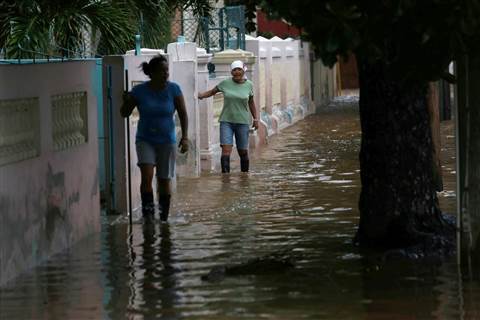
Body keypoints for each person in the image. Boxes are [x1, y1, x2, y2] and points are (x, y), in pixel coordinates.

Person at [121, 55, 189, 222]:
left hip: (167, 140)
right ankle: (148, 216)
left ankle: (163, 217)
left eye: (167, 71)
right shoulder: (139, 91)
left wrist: (185, 137)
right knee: (147, 176)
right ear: (151, 72)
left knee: (164, 180)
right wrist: (127, 101)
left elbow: (183, 114)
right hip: (145, 140)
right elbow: (124, 113)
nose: (165, 74)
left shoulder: (174, 89)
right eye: (161, 71)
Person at [198, 60, 258, 173]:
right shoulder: (225, 83)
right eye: (234, 70)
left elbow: (251, 102)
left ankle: (244, 178)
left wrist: (256, 119)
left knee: (243, 152)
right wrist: (199, 95)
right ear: (231, 72)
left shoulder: (249, 85)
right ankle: (226, 181)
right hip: (226, 122)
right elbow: (212, 92)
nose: (236, 72)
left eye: (239, 69)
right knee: (226, 151)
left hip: (242, 122)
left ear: (243, 70)